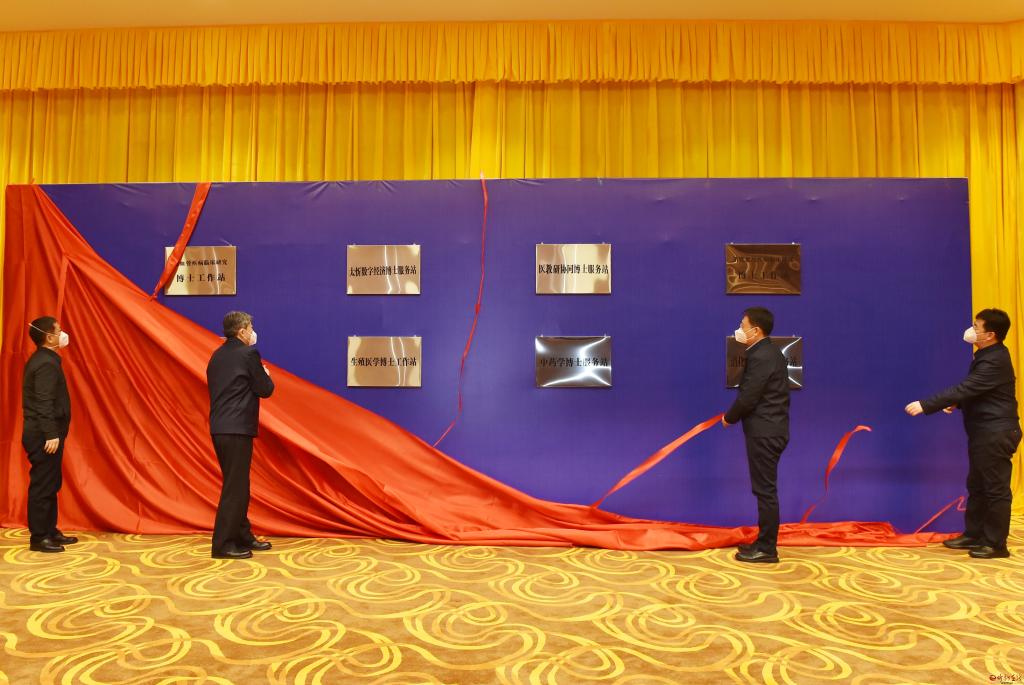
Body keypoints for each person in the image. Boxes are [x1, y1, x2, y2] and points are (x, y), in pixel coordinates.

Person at [905, 308, 1021, 559]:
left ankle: (995, 544)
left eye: (977, 326)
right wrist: (959, 403)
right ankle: (974, 534)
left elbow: (967, 387)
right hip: (985, 432)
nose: (972, 330)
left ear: (990, 334)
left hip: (996, 432)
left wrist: (926, 405)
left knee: (995, 489)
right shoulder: (987, 355)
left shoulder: (994, 360)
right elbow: (980, 392)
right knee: (977, 485)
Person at [722, 306, 791, 563]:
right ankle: (763, 542)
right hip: (769, 430)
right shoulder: (769, 352)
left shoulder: (762, 356)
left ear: (756, 330)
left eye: (743, 325)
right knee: (764, 490)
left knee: (765, 492)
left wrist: (729, 417)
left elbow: (749, 396)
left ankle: (767, 549)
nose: (739, 330)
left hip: (765, 432)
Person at [206, 311, 275, 559]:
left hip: (220, 427)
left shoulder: (217, 356)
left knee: (237, 485)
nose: (253, 332)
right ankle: (223, 544)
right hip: (237, 428)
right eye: (251, 327)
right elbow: (265, 389)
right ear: (242, 331)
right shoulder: (248, 354)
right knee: (236, 488)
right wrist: (265, 374)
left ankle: (243, 535)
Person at [22, 316, 78, 553]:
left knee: (51, 482)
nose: (62, 334)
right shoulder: (45, 363)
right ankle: (39, 537)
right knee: (43, 485)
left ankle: (50, 530)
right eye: (58, 330)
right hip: (43, 435)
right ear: (49, 337)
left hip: (46, 433)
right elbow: (43, 402)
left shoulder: (46, 359)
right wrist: (51, 433)